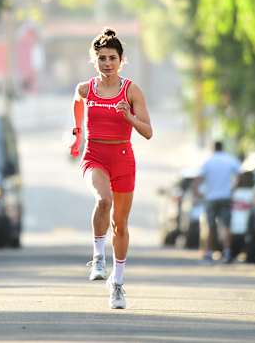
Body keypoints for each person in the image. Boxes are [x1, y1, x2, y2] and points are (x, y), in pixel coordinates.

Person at [69, 28, 153, 310]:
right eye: (102, 58)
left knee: (120, 224)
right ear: (94, 60)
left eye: (112, 58)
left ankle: (117, 284)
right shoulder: (86, 89)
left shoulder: (131, 91)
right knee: (103, 200)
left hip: (123, 159)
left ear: (121, 60)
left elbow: (148, 131)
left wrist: (128, 116)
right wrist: (77, 135)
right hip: (95, 155)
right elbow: (77, 102)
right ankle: (98, 257)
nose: (107, 63)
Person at [193, 140, 241, 264]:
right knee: (226, 226)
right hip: (225, 196)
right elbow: (239, 174)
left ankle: (209, 252)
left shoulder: (208, 162)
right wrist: (233, 188)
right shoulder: (230, 160)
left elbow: (199, 178)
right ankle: (227, 252)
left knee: (210, 226)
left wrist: (197, 192)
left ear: (213, 149)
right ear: (222, 148)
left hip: (211, 197)